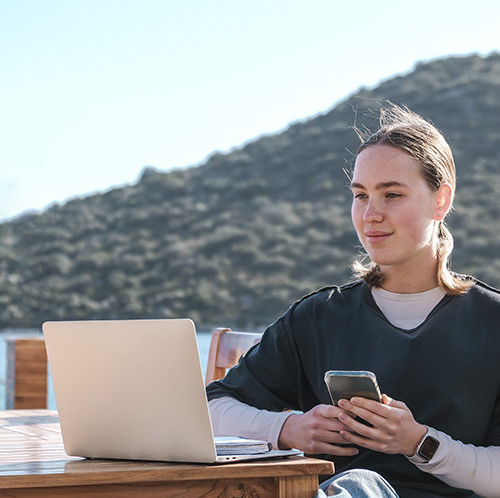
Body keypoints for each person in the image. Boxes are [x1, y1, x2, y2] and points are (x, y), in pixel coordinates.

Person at [206, 103, 500, 498]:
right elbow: (208, 412)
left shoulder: (492, 323)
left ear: (441, 201)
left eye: (391, 194)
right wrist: (289, 429)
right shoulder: (318, 318)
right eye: (360, 195)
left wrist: (418, 443)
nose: (370, 214)